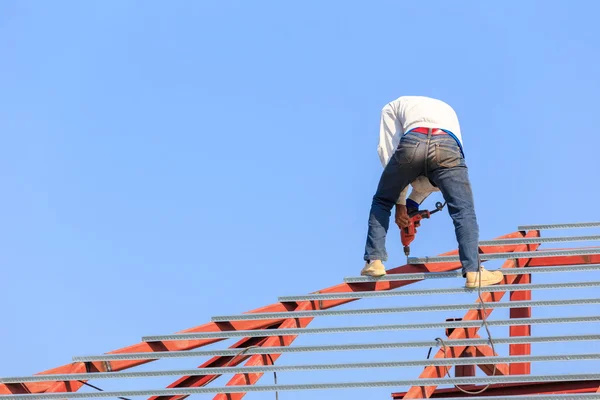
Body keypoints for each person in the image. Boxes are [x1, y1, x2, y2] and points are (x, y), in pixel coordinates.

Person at [360, 96, 503, 288]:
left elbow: (390, 153)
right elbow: (433, 175)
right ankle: (473, 272)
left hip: (412, 142)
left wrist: (401, 204)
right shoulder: (448, 109)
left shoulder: (392, 107)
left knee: (383, 201)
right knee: (463, 211)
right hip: (447, 146)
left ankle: (374, 261)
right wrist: (409, 204)